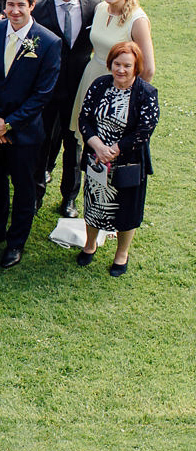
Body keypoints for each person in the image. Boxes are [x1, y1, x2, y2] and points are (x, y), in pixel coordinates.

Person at [0, 0, 62, 269]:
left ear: (32, 6)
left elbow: (42, 94)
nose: (16, 10)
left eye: (22, 5)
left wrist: (8, 125)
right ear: (4, 5)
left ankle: (16, 242)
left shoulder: (48, 42)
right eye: (11, 4)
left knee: (23, 188)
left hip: (24, 132)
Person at [76, 41, 158, 276]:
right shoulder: (100, 85)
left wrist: (115, 149)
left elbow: (145, 129)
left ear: (136, 67)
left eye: (127, 66)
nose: (121, 70)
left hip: (128, 163)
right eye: (117, 64)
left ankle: (121, 253)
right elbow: (84, 119)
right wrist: (97, 146)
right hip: (97, 159)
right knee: (93, 203)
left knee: (127, 210)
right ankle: (90, 245)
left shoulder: (146, 93)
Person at [32, 0, 98, 218]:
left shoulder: (94, 8)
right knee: (42, 142)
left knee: (75, 144)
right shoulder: (39, 7)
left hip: (79, 88)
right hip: (47, 89)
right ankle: (36, 193)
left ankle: (69, 197)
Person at [70, 0, 155, 131]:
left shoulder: (137, 20)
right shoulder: (100, 8)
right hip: (92, 77)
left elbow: (149, 69)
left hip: (119, 83)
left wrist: (131, 97)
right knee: (86, 133)